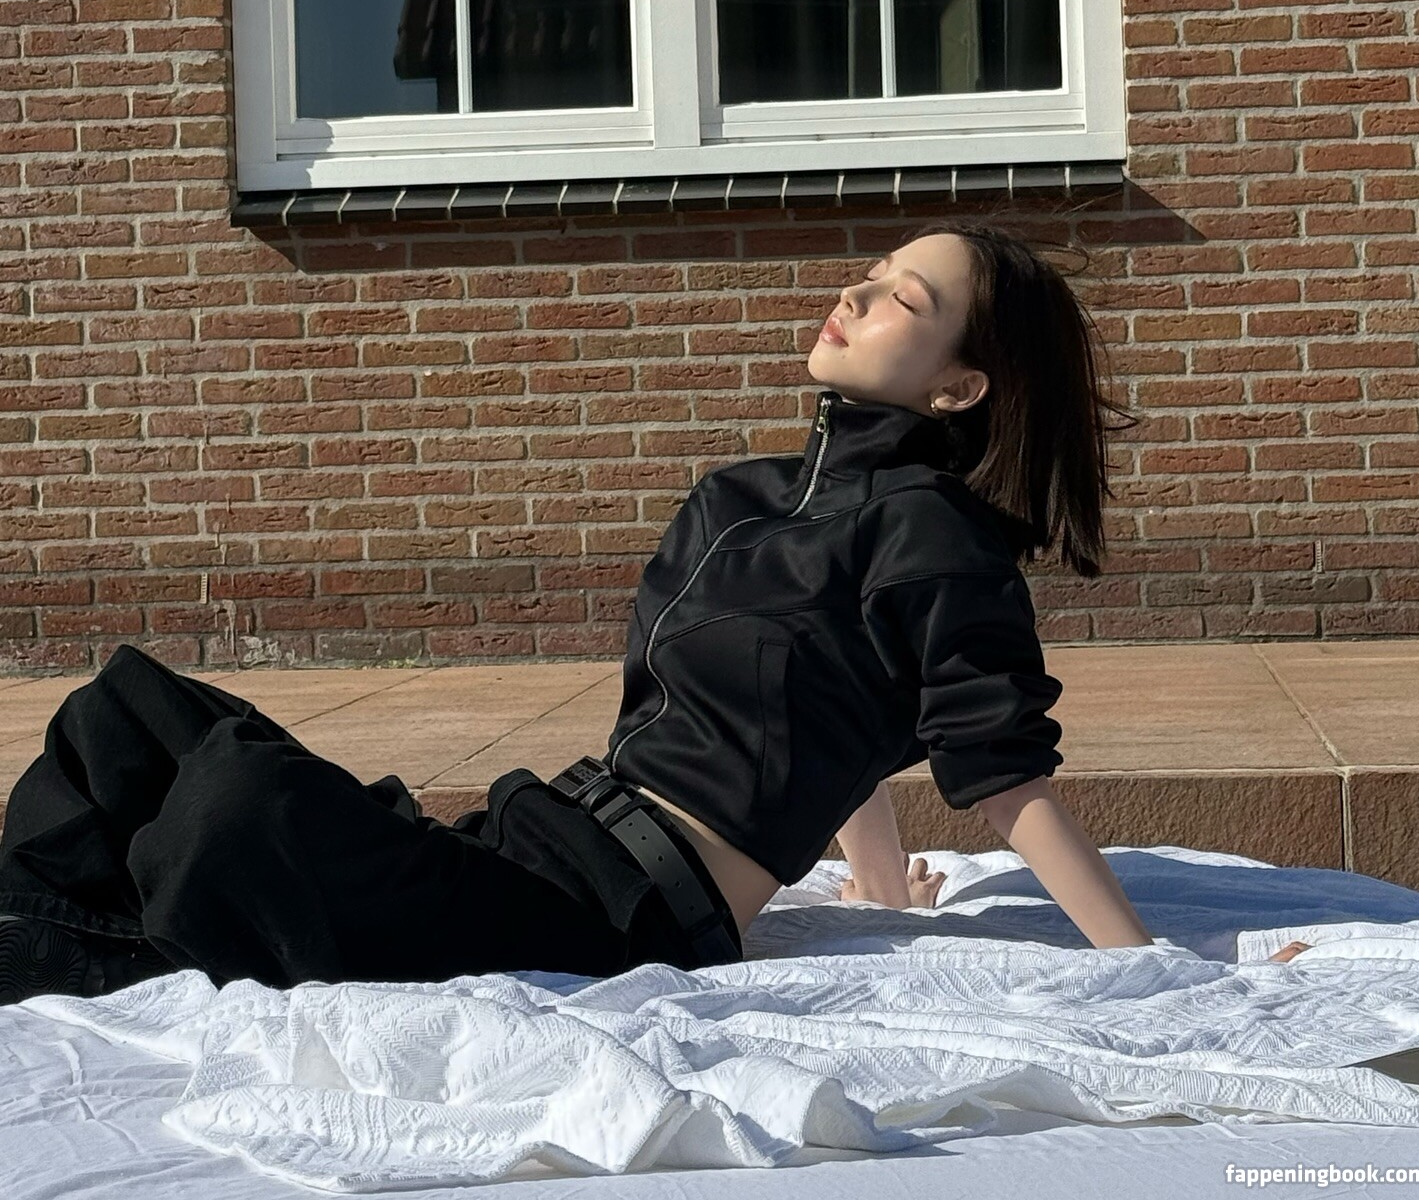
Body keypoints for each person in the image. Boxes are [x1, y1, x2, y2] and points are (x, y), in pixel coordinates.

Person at [0, 220, 1306, 1007]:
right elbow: (830, 708)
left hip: (622, 915)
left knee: (239, 809)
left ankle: (52, 951)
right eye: (871, 272)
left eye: (902, 299)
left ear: (960, 388)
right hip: (538, 837)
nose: (856, 293)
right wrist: (873, 880)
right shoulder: (737, 499)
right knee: (128, 713)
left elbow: (1002, 772)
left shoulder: (936, 537)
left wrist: (1147, 967)